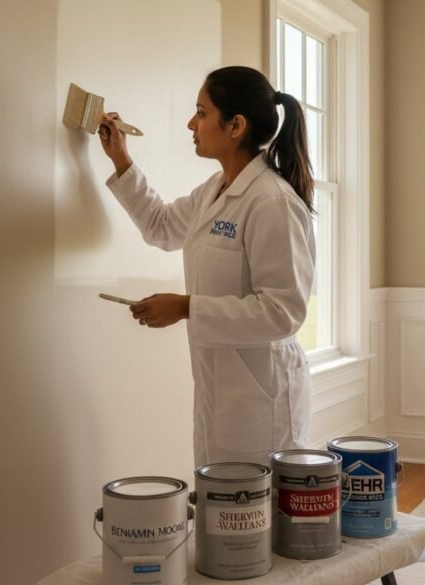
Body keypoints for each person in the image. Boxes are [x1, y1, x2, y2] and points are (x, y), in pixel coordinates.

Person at [97, 66, 315, 467]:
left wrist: (186, 307)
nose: (190, 123)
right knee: (224, 513)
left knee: (258, 518)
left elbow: (284, 312)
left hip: (261, 400)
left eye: (201, 112)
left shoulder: (272, 202)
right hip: (220, 391)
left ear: (235, 126)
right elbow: (160, 226)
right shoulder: (214, 191)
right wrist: (121, 159)